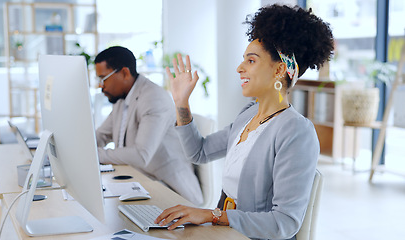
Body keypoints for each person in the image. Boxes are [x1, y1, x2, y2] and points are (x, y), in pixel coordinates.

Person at [155, 4, 334, 240]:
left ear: (280, 69)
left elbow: (285, 222)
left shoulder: (296, 131)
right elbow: (199, 152)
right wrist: (181, 103)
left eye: (251, 61)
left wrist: (212, 215)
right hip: (224, 231)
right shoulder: (249, 114)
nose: (240, 68)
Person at [94, 46, 203, 205]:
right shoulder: (121, 98)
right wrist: (77, 151)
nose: (100, 85)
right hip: (140, 182)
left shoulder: (153, 98)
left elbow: (141, 155)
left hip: (172, 191)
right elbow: (102, 135)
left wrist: (95, 154)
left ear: (124, 73)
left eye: (103, 78)